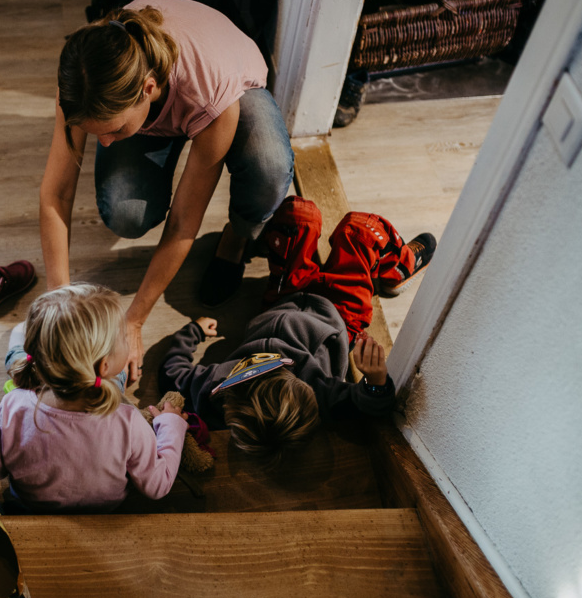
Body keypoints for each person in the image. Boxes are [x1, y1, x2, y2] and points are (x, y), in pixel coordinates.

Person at [40, 0, 295, 385]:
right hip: (157, 102)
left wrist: (135, 319)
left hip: (228, 84)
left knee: (269, 173)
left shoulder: (211, 94)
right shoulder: (82, 79)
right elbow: (56, 195)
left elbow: (182, 223)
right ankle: (145, 132)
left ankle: (236, 239)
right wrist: (57, 298)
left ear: (148, 88)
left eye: (114, 131)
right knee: (126, 213)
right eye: (96, 132)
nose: (105, 144)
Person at [159, 196, 437, 463]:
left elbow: (171, 373)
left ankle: (265, 241)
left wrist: (192, 332)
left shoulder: (217, 388)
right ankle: (398, 268)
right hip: (340, 314)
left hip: (282, 298)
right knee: (362, 229)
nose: (277, 364)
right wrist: (376, 380)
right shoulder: (319, 395)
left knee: (297, 213)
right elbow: (369, 405)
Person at [0, 283, 188, 512]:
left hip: (29, 507)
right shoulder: (129, 421)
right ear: (105, 366)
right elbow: (157, 486)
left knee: (19, 357)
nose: (127, 343)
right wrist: (171, 424)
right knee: (119, 378)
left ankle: (20, 339)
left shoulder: (13, 405)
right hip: (104, 515)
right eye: (124, 340)